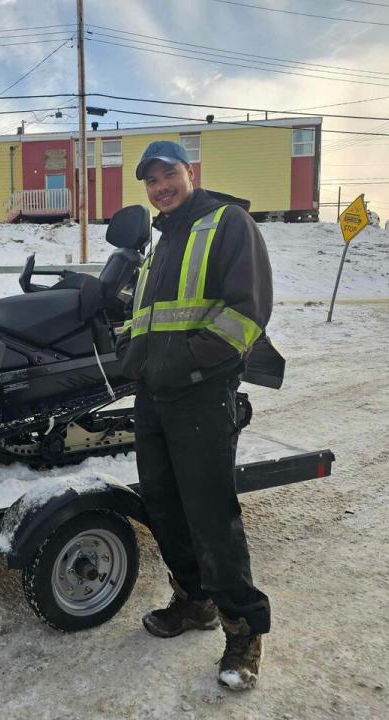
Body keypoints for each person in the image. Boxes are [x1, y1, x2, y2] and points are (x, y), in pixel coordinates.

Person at [116, 140, 273, 691]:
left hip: (202, 393)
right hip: (154, 395)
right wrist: (132, 358)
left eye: (169, 175)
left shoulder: (227, 222)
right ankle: (194, 601)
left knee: (210, 512)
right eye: (151, 181)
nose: (161, 187)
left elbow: (247, 313)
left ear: (191, 173)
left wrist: (187, 364)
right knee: (163, 504)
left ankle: (243, 630)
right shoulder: (163, 241)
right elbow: (150, 316)